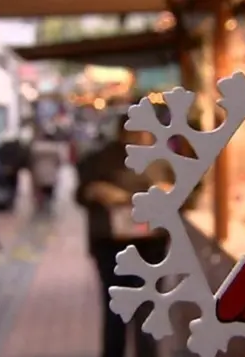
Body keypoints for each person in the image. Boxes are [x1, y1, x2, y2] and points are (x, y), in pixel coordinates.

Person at [75, 106, 175, 357]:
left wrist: (169, 192)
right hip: (111, 245)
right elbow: (81, 193)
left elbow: (184, 194)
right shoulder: (98, 160)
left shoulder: (161, 160)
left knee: (147, 309)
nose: (144, 136)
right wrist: (97, 192)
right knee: (116, 309)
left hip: (151, 245)